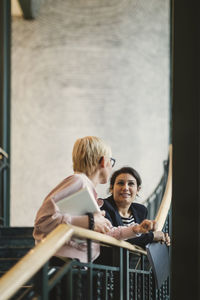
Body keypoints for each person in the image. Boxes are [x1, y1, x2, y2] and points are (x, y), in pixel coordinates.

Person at [33, 137, 155, 264]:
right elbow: (43, 221)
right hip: (60, 265)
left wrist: (136, 229)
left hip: (74, 266)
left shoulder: (89, 191)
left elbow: (107, 232)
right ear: (103, 161)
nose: (111, 167)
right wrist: (90, 221)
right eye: (111, 162)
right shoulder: (78, 181)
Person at [100, 166, 170, 249]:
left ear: (138, 190)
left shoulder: (141, 210)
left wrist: (161, 238)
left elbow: (141, 239)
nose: (125, 188)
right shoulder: (103, 207)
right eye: (120, 183)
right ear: (111, 188)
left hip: (131, 260)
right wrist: (152, 237)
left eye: (131, 184)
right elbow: (115, 238)